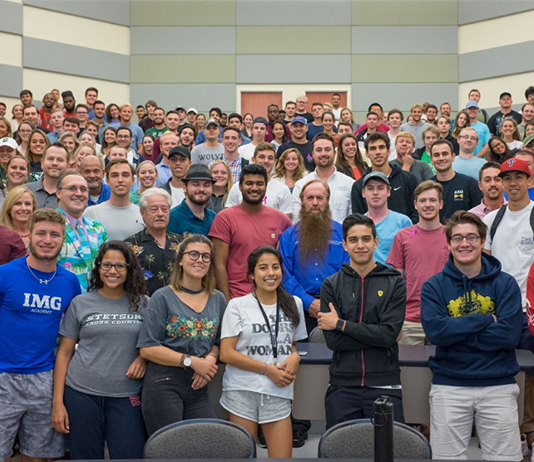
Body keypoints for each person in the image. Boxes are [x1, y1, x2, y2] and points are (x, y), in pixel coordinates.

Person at [421, 211, 523, 461]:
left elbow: (510, 335)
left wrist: (456, 331)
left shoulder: (506, 284)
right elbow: (436, 332)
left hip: (498, 385)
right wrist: (487, 319)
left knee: (505, 458)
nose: (464, 243)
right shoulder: (434, 286)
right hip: (449, 386)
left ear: (481, 241)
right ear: (448, 244)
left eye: (470, 237)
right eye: (457, 238)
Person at [52, 241, 148, 459]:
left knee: (130, 455)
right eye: (106, 265)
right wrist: (58, 403)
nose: (112, 271)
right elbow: (64, 353)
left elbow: (153, 346)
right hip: (81, 393)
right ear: (98, 268)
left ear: (129, 269)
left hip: (127, 394)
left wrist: (142, 358)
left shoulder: (144, 303)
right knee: (86, 456)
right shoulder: (80, 303)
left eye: (120, 266)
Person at [0, 209, 81, 462]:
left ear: (62, 239)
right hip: (4, 377)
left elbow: (75, 332)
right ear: (30, 236)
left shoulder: (70, 282)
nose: (47, 240)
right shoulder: (5, 274)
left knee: (38, 456)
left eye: (54, 234)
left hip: (44, 379)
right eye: (41, 233)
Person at [319, 213, 406, 428]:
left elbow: (387, 336)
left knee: (389, 452)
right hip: (342, 385)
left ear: (376, 242)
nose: (361, 245)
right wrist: (377, 335)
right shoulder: (331, 285)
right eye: (354, 240)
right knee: (341, 452)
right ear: (345, 245)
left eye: (366, 239)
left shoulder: (394, 282)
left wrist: (341, 325)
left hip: (385, 383)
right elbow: (334, 342)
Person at [220, 246, 306, 458]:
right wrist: (268, 370)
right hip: (242, 390)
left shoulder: (294, 303)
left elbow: (292, 344)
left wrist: (295, 356)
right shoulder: (237, 305)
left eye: (275, 267)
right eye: (263, 268)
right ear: (251, 274)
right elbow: (226, 354)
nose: (270, 273)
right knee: (245, 457)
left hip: (278, 391)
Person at [138, 234, 226, 436]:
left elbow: (220, 341)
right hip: (163, 384)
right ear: (180, 260)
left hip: (198, 385)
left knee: (210, 443)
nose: (200, 260)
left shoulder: (218, 299)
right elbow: (148, 348)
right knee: (170, 449)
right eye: (193, 254)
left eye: (206, 256)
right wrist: (192, 362)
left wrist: (209, 362)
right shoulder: (162, 297)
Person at [210, 164, 292, 301]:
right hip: (237, 298)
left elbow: (289, 261)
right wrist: (227, 301)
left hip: (272, 298)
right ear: (240, 186)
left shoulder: (281, 219)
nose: (254, 188)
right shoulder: (224, 218)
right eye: (249, 183)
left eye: (260, 183)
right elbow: (218, 264)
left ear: (266, 187)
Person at [279, 180, 348, 334]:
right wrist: (308, 302)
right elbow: (285, 275)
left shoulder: (343, 233)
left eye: (320, 198)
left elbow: (349, 271)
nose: (315, 203)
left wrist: (328, 302)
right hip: (298, 308)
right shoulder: (288, 237)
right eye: (310, 198)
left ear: (327, 201)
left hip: (337, 308)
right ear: (302, 201)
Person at [386, 181, 449, 344]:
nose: (427, 205)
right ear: (415, 204)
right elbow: (396, 281)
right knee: (409, 369)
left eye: (432, 200)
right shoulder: (403, 236)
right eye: (422, 200)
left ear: (441, 204)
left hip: (445, 318)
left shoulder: (453, 236)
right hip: (410, 320)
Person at [483, 157, 534, 308]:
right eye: (507, 178)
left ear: (529, 181)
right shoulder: (490, 220)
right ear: (502, 183)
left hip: (531, 308)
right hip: (502, 307)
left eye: (518, 177)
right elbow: (486, 264)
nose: (512, 183)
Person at [56, 172, 108, 292]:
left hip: (93, 302)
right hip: (60, 299)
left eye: (83, 189)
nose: (78, 193)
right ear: (58, 193)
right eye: (72, 188)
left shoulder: (98, 228)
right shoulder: (47, 225)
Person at [124, 189, 182, 295]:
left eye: (164, 209)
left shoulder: (181, 242)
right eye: (154, 209)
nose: (160, 214)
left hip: (178, 306)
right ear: (142, 213)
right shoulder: (130, 245)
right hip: (144, 306)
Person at [352, 132, 419, 223]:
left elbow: (416, 213)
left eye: (381, 147)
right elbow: (358, 220)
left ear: (388, 151)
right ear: (367, 154)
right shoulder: (359, 186)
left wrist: (408, 234)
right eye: (373, 148)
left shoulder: (408, 179)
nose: (378, 152)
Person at [293, 133, 355, 224]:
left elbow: (352, 219)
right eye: (319, 150)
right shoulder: (301, 185)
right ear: (313, 154)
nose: (323, 154)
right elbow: (296, 219)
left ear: (334, 153)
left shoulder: (349, 184)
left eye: (327, 149)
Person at [226, 143, 293, 219]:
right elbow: (229, 216)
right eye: (262, 157)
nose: (266, 161)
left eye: (270, 158)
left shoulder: (283, 190)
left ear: (275, 162)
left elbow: (285, 221)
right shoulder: (237, 187)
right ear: (253, 160)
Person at [84, 158, 144, 240]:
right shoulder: (91, 213)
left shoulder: (143, 214)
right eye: (114, 175)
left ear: (133, 180)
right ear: (107, 180)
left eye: (125, 175)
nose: (120, 180)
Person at [362, 172, 412, 264]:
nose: (375, 193)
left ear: (388, 192)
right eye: (370, 188)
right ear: (363, 193)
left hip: (394, 277)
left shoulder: (403, 222)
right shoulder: (358, 224)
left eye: (380, 188)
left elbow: (410, 258)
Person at [429, 139, 483, 222]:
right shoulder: (427, 187)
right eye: (436, 155)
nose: (441, 158)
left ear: (453, 157)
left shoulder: (469, 184)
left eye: (445, 154)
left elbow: (478, 215)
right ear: (431, 160)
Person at [168, 164, 216, 236]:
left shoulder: (214, 217)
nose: (201, 189)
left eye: (206, 185)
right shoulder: (172, 218)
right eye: (196, 184)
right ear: (184, 187)